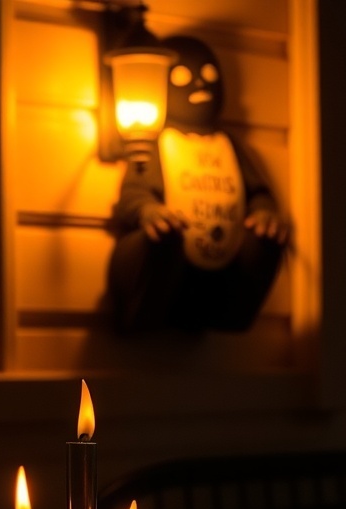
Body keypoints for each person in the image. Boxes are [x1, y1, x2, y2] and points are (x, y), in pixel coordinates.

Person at [108, 35, 288, 334]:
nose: (199, 86)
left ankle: (234, 313)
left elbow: (257, 192)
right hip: (170, 264)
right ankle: (147, 310)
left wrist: (264, 212)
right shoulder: (157, 143)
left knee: (266, 243)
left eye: (208, 77)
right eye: (182, 78)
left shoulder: (227, 144)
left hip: (222, 267)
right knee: (163, 242)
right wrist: (150, 211)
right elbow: (133, 195)